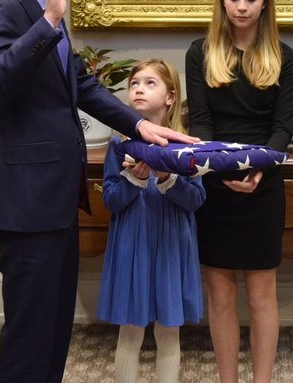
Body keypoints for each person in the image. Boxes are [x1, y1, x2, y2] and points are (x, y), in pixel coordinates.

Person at [0, 0, 195, 383]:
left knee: (54, 330)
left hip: (56, 198)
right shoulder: (5, 6)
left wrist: (140, 127)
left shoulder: (46, 4)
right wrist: (47, 24)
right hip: (26, 201)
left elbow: (81, 84)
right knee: (30, 333)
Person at [185, 0, 293, 383]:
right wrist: (217, 167)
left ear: (266, 2)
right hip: (214, 185)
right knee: (219, 295)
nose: (242, 7)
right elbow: (200, 123)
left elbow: (282, 129)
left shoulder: (285, 58)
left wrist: (259, 172)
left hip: (263, 186)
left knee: (262, 293)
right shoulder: (199, 52)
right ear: (221, 0)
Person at [98, 60, 206, 383]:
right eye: (134, 84)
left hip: (171, 244)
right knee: (129, 332)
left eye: (149, 83)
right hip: (133, 245)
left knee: (168, 332)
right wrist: (132, 178)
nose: (139, 89)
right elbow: (111, 199)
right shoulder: (119, 145)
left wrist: (167, 178)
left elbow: (196, 199)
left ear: (171, 97)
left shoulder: (185, 146)